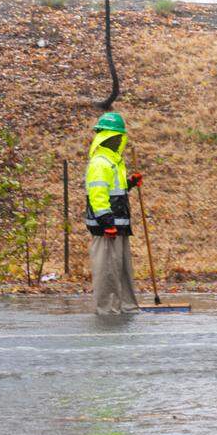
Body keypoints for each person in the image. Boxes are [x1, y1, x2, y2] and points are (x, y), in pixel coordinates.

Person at [84, 112, 142, 315]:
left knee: (123, 270)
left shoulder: (114, 161)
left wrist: (130, 183)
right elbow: (98, 194)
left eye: (119, 137)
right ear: (105, 137)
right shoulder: (100, 162)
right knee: (107, 271)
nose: (118, 140)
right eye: (114, 136)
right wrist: (106, 221)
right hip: (107, 227)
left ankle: (126, 306)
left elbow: (115, 190)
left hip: (120, 225)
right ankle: (107, 310)